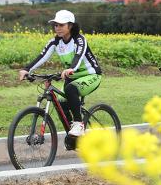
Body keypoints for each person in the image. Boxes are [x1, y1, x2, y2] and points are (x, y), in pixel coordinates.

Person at [19, 9, 102, 137]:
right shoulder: (56, 42)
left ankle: (79, 124)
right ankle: (73, 137)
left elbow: (78, 56)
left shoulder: (79, 39)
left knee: (70, 89)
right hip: (71, 77)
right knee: (61, 103)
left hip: (91, 75)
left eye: (61, 25)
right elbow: (42, 56)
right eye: (56, 25)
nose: (57, 28)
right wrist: (26, 69)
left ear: (71, 25)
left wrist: (72, 68)